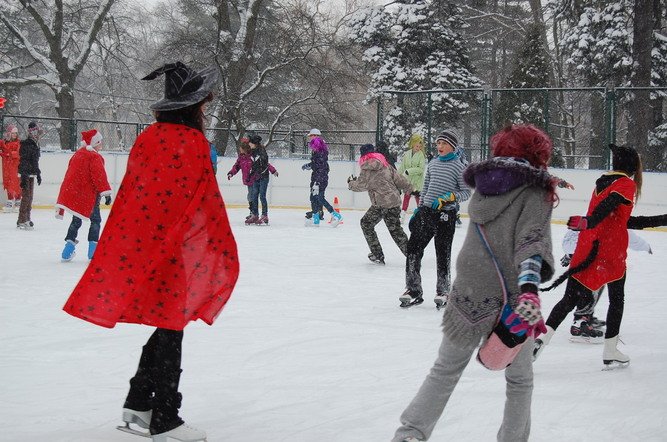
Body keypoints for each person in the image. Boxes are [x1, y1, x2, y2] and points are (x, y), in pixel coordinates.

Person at [62, 61, 240, 442]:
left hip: (144, 247)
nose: (206, 111)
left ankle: (139, 401)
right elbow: (201, 201)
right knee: (172, 327)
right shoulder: (193, 144)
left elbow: (140, 196)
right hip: (174, 251)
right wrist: (213, 246)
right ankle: (165, 418)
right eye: (204, 105)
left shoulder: (148, 138)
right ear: (192, 108)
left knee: (168, 323)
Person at [392, 123, 556, 442]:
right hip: (512, 295)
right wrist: (529, 288)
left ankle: (411, 433)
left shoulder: (485, 184)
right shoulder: (536, 190)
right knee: (520, 380)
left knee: (445, 369)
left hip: (470, 285)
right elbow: (531, 242)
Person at [533, 144, 667, 368]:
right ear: (633, 167)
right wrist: (590, 221)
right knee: (617, 299)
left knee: (568, 300)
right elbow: (606, 208)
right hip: (608, 251)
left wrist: (664, 218)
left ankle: (540, 341)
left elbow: (624, 220)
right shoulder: (626, 184)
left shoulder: (602, 182)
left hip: (587, 246)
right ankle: (610, 350)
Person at [399, 129, 471, 309]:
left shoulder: (458, 166)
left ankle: (443, 291)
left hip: (446, 215)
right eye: (438, 143)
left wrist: (449, 197)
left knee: (442, 253)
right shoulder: (432, 163)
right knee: (413, 248)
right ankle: (413, 289)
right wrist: (419, 208)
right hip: (426, 212)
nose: (439, 146)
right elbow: (426, 188)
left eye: (444, 143)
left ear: (452, 146)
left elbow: (466, 192)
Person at [560, 228, 653, 342]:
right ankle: (580, 323)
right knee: (591, 286)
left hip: (579, 247)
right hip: (584, 250)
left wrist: (570, 253)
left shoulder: (595, 212)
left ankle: (585, 316)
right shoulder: (612, 217)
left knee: (597, 282)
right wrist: (646, 246)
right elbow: (631, 238)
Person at [348, 143, 412, 265]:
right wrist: (409, 187)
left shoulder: (366, 169)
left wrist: (351, 183)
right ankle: (411, 254)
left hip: (381, 204)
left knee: (367, 224)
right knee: (395, 230)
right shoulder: (385, 165)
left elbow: (360, 186)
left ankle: (378, 254)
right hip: (392, 202)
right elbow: (399, 179)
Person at [55, 129, 113, 261]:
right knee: (95, 220)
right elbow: (99, 176)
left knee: (76, 221)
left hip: (77, 196)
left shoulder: (78, 154)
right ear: (95, 143)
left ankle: (67, 249)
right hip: (90, 197)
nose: (101, 146)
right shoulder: (94, 157)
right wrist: (106, 193)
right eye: (100, 143)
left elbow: (70, 174)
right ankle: (92, 251)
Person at [302, 128, 342, 227]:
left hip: (319, 178)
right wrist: (310, 165)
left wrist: (317, 182)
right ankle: (315, 220)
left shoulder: (319, 151)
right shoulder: (319, 151)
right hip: (319, 177)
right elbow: (317, 164)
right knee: (314, 198)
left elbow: (321, 167)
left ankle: (336, 215)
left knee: (319, 198)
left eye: (311, 136)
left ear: (315, 136)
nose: (310, 138)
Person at [247, 134, 278, 225]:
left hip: (263, 177)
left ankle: (264, 215)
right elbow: (254, 166)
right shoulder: (252, 152)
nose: (249, 144)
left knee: (262, 196)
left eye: (250, 142)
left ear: (254, 143)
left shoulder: (262, 152)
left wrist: (262, 172)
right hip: (256, 177)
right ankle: (255, 214)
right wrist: (251, 174)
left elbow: (265, 164)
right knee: (254, 196)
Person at [16, 121, 42, 230]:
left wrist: (38, 173)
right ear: (30, 132)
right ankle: (21, 220)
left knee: (30, 197)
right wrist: (24, 177)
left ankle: (27, 218)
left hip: (31, 174)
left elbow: (35, 161)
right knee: (26, 197)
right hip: (25, 174)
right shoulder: (26, 144)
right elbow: (24, 161)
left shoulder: (35, 144)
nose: (36, 133)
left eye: (37, 131)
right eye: (34, 131)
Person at [397, 134, 426, 223]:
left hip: (417, 181)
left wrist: (409, 171)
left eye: (420, 146)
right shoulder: (407, 153)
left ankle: (422, 216)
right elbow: (403, 166)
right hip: (409, 181)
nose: (418, 148)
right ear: (413, 144)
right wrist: (397, 175)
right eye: (417, 146)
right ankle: (403, 214)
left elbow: (421, 169)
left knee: (418, 199)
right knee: (406, 197)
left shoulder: (421, 155)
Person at [1, 125, 22, 212]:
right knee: (8, 183)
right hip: (7, 167)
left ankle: (18, 201)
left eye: (15, 133)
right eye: (12, 133)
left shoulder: (19, 143)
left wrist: (8, 154)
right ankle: (10, 201)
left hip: (15, 166)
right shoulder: (4, 142)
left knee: (17, 183)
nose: (14, 135)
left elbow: (17, 153)